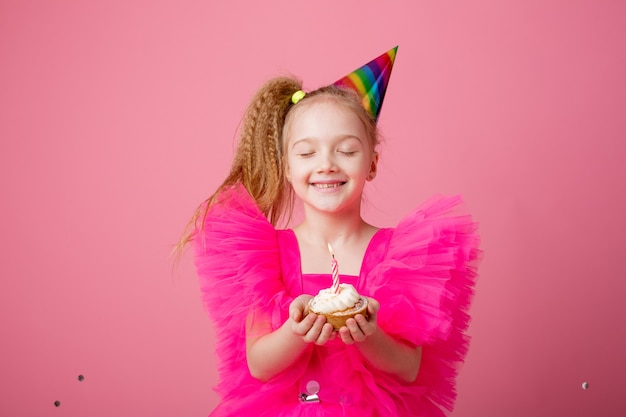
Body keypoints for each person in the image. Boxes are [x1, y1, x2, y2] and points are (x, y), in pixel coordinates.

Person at [177, 47, 480, 417]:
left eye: (346, 151)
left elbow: (408, 366)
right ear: (286, 167)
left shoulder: (400, 255)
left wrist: (369, 335)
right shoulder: (264, 256)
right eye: (307, 154)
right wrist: (296, 331)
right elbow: (259, 363)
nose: (326, 165)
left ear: (372, 163)